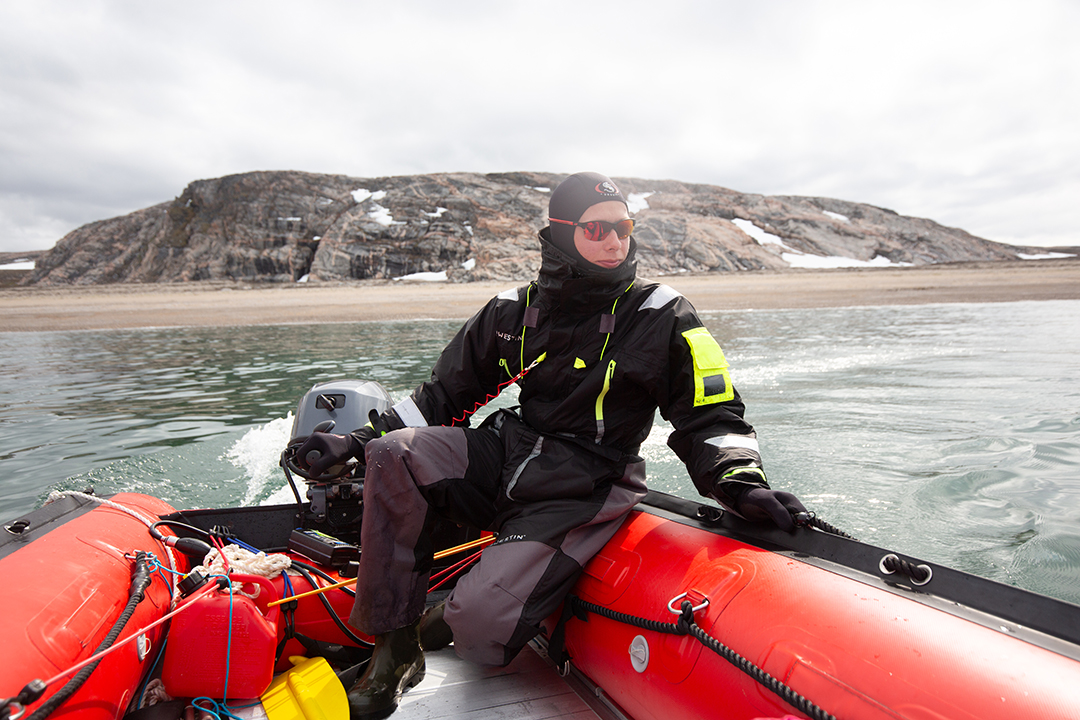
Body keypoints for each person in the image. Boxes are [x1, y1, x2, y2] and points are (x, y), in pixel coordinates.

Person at [297, 172, 806, 718]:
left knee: (479, 632)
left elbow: (709, 413)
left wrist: (740, 482)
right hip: (511, 453)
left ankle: (447, 614)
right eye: (597, 228)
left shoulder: (664, 314)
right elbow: (443, 395)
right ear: (562, 233)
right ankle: (395, 650)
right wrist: (354, 440)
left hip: (587, 482)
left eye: (624, 227)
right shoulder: (512, 310)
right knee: (394, 451)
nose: (615, 241)